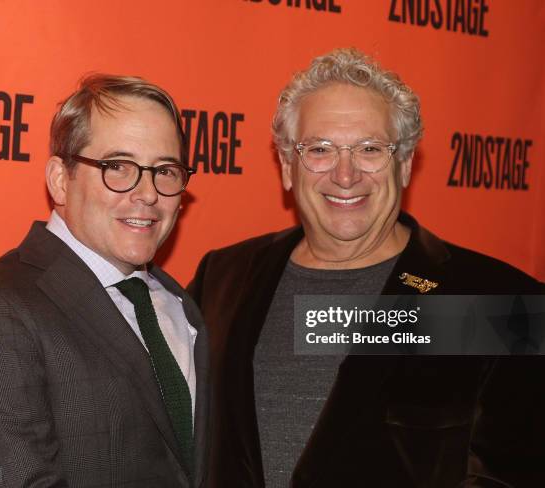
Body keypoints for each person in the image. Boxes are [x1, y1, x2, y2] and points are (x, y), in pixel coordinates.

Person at [188, 49, 544, 487]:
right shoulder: (224, 278)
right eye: (319, 149)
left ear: (406, 163)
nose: (345, 174)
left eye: (370, 149)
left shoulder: (497, 304)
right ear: (286, 166)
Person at [0, 75, 209, 487]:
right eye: (118, 167)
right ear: (61, 179)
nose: (148, 193)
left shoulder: (177, 302)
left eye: (165, 170)